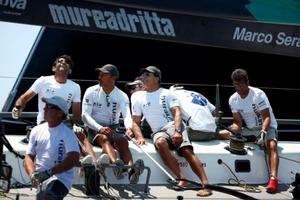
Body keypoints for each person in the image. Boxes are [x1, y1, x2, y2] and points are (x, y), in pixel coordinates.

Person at [130, 66, 212, 197]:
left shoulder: (168, 93)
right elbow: (135, 121)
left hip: (173, 125)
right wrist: (139, 137)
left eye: (147, 75)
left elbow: (177, 112)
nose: (142, 77)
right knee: (161, 142)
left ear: (157, 78)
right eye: (142, 75)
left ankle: (206, 184)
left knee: (186, 151)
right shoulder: (137, 97)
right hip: (157, 131)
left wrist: (178, 131)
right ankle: (181, 179)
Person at [11, 54, 96, 163]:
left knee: (81, 135)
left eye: (66, 62)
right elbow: (24, 98)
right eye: (60, 61)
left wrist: (75, 124)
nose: (63, 62)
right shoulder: (43, 80)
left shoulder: (75, 87)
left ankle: (94, 163)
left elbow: (76, 114)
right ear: (53, 68)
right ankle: (82, 160)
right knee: (67, 134)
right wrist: (17, 108)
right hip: (45, 121)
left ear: (69, 71)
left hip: (64, 121)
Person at [82, 64, 144, 184]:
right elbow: (85, 116)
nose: (99, 75)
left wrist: (129, 128)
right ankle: (117, 165)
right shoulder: (91, 91)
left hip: (113, 127)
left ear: (113, 78)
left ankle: (131, 170)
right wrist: (100, 128)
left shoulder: (122, 95)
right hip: (94, 128)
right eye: (100, 73)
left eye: (103, 73)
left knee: (123, 141)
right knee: (104, 138)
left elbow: (127, 116)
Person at [221, 68, 279, 193]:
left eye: (241, 84)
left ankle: (273, 179)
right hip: (249, 129)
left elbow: (267, 117)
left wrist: (263, 133)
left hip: (267, 126)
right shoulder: (233, 99)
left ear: (247, 82)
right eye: (236, 84)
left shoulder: (258, 94)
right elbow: (237, 123)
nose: (238, 87)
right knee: (222, 135)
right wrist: (233, 129)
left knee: (272, 145)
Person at [24, 96, 80, 200]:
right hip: (40, 179)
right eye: (45, 106)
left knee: (48, 197)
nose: (44, 108)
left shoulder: (68, 133)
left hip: (61, 179)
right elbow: (28, 157)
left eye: (49, 106)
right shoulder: (36, 130)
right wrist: (32, 174)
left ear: (60, 113)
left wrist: (49, 173)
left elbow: (73, 158)